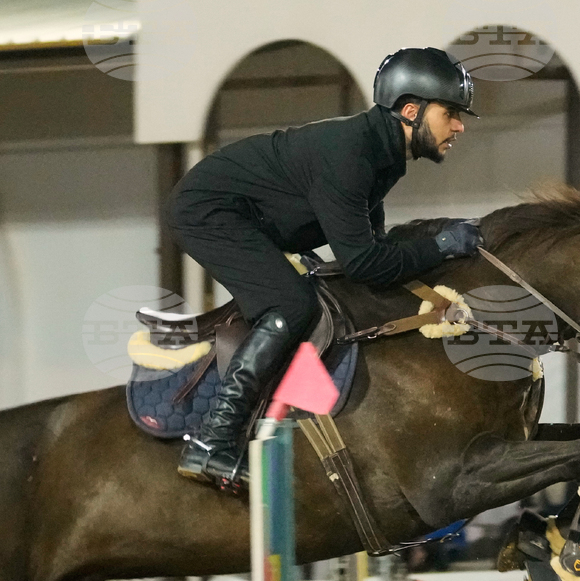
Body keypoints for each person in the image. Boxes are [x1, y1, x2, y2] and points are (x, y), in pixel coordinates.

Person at [166, 47, 483, 489]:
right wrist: (442, 246)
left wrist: (433, 249)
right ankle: (211, 441)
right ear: (411, 111)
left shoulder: (383, 156)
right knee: (291, 305)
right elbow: (365, 263)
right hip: (207, 211)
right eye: (450, 113)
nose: (459, 126)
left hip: (248, 215)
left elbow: (373, 249)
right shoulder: (353, 154)